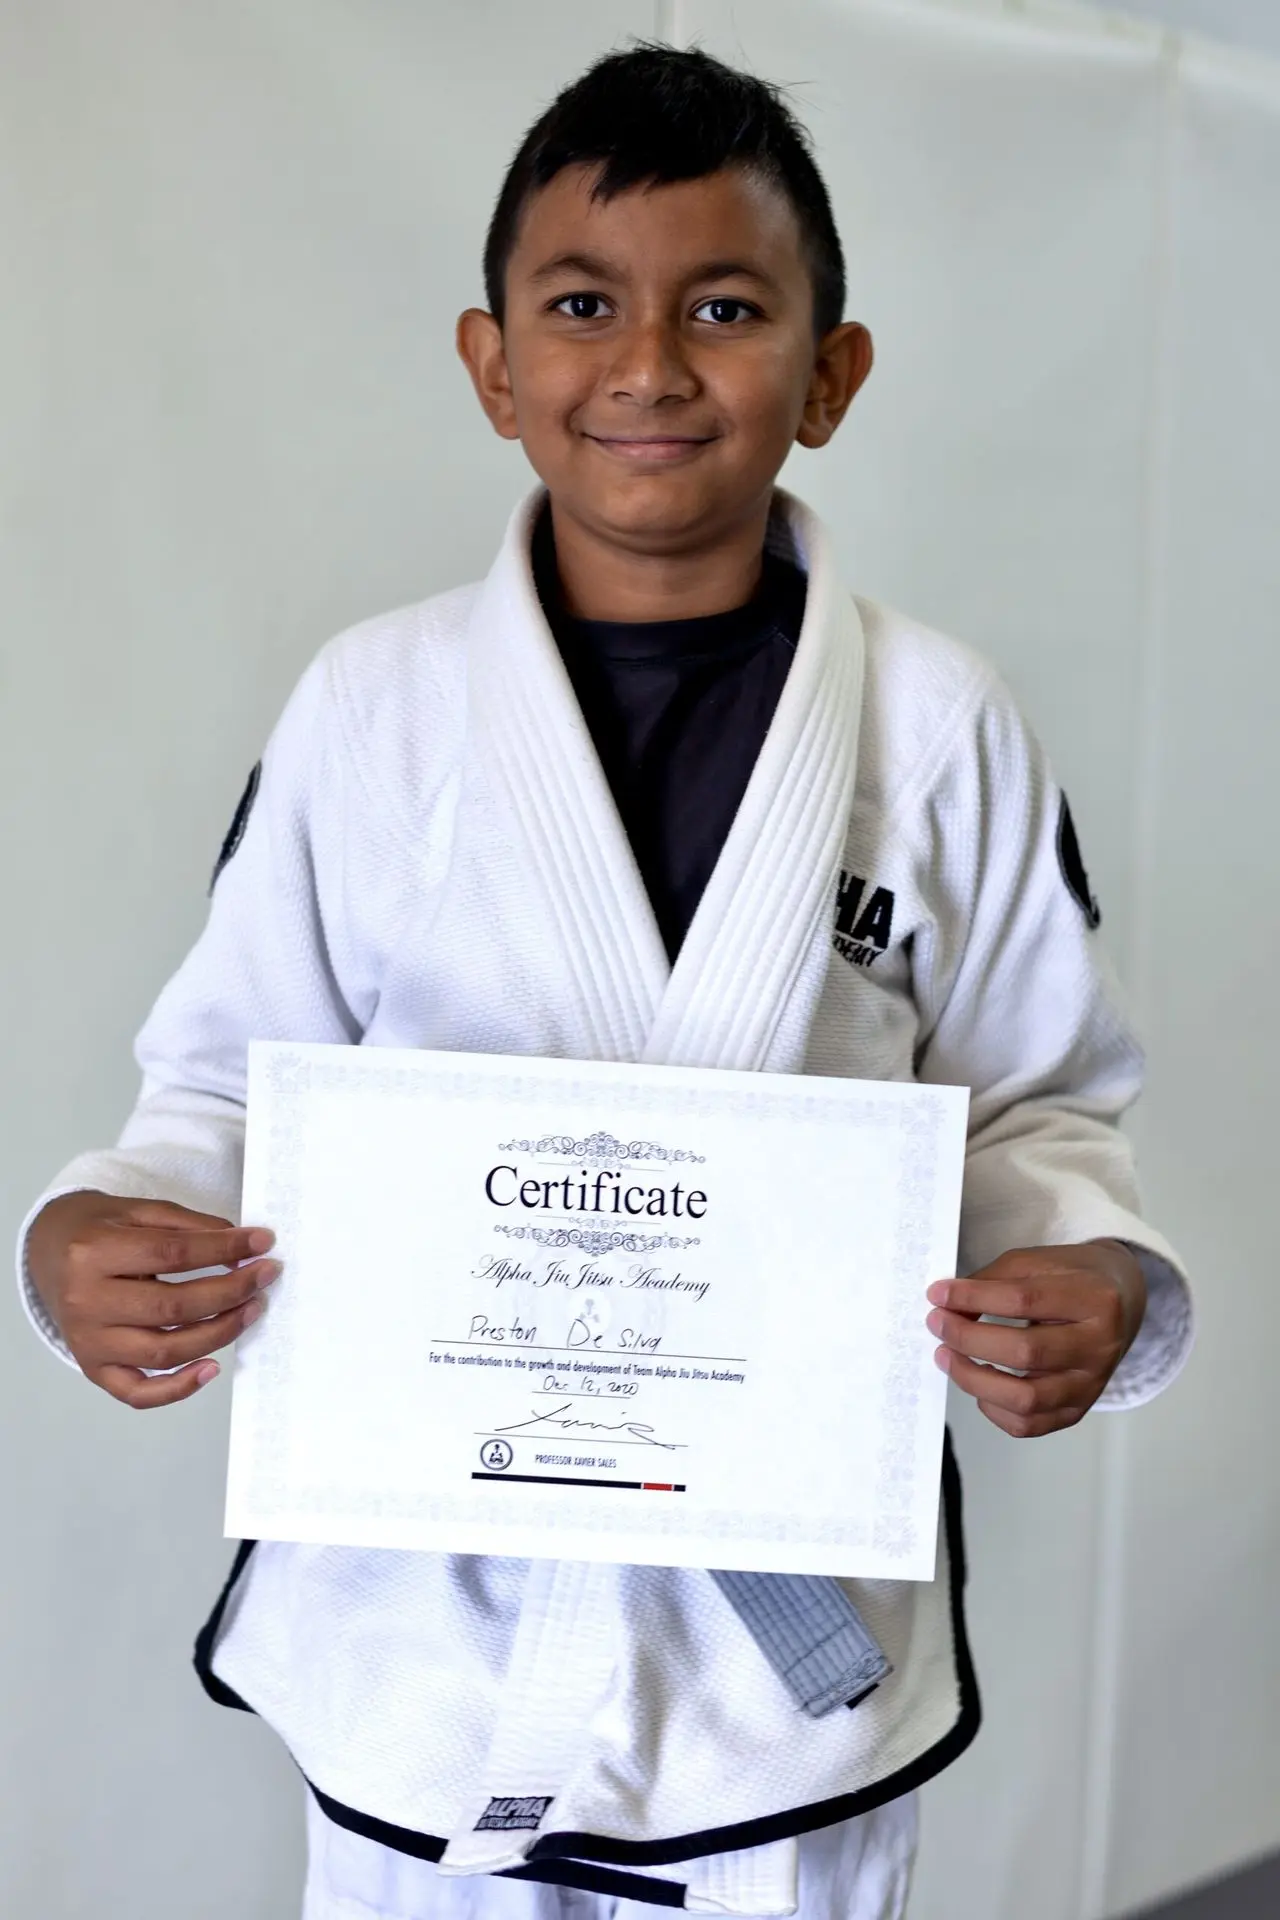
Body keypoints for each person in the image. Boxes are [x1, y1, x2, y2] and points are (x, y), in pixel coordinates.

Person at [17, 43, 1192, 1920]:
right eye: (582, 306)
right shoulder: (372, 710)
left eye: (726, 309)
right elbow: (229, 1091)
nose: (649, 366)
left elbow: (1040, 1099)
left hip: (777, 1691)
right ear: (494, 365)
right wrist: (95, 1236)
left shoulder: (940, 723)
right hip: (421, 1641)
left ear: (831, 373)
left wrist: (1097, 1282)